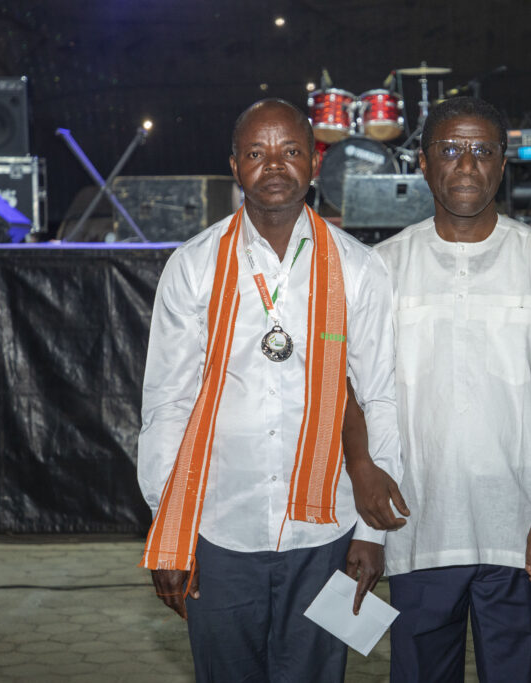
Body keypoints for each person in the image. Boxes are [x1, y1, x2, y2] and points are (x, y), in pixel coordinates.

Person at [136, 98, 401, 682]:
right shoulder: (193, 265)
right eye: (257, 152)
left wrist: (372, 533)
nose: (275, 165)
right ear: (235, 166)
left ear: (315, 163)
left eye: (291, 150)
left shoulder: (359, 268)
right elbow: (168, 404)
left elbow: (379, 397)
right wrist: (170, 528)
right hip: (219, 529)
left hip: (328, 532)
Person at [344, 96, 531, 682]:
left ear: (503, 163)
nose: (467, 165)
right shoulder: (382, 267)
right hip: (416, 529)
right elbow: (356, 392)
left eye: (483, 151)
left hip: (521, 530)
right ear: (422, 162)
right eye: (450, 150)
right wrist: (364, 494)